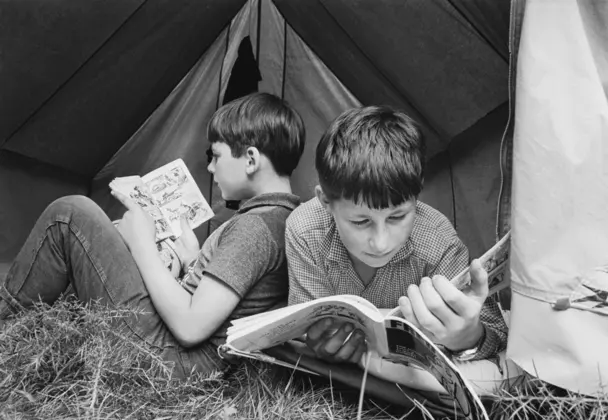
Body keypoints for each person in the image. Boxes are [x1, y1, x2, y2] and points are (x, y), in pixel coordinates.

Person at [0, 92, 305, 378]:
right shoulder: (282, 219)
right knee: (106, 233)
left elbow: (190, 326)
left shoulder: (254, 228)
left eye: (216, 156)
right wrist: (190, 261)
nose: (211, 168)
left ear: (250, 159)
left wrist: (143, 243)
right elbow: (225, 303)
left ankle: (5, 324)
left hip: (170, 362)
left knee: (71, 214)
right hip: (188, 359)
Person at [285, 105, 507, 365]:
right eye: (360, 221)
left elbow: (497, 334)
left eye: (397, 217)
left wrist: (467, 338)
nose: (381, 242)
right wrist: (318, 343)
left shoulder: (438, 242)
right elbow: (301, 330)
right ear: (325, 201)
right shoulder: (305, 230)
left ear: (417, 194)